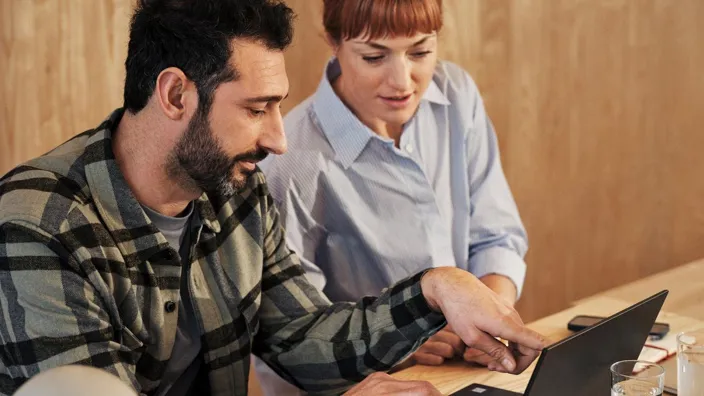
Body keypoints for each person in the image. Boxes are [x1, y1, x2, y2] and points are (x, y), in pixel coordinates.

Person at [0, 1, 544, 395]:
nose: (280, 140)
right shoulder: (37, 228)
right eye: (257, 109)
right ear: (174, 95)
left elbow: (307, 340)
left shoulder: (236, 191)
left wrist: (436, 289)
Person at [260, 0, 529, 393]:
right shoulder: (292, 161)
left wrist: (483, 317)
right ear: (333, 42)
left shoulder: (456, 96)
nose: (402, 82)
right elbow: (296, 339)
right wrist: (404, 343)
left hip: (465, 371)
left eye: (420, 51)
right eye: (374, 57)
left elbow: (498, 236)